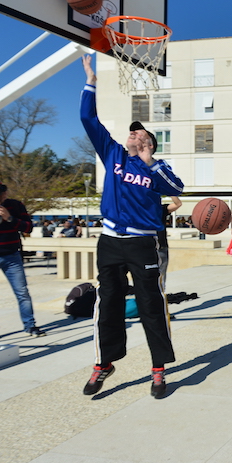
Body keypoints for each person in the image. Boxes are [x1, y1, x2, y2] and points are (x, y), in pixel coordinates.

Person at [78, 55, 184, 400]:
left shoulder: (158, 169)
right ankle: (104, 362)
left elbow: (178, 189)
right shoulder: (112, 153)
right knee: (106, 302)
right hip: (109, 239)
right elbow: (86, 118)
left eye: (137, 131)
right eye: (130, 130)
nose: (130, 132)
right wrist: (90, 80)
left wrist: (150, 160)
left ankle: (158, 368)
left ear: (148, 142)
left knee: (150, 304)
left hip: (142, 244)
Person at [0, 178, 43, 342]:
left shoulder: (15, 205)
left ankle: (30, 324)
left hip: (11, 255)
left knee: (22, 293)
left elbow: (28, 227)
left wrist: (9, 218)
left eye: (0, 193)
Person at [157, 196, 182, 291]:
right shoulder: (160, 209)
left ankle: (159, 296)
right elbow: (178, 204)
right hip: (153, 246)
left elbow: (178, 204)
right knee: (159, 276)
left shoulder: (161, 209)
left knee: (160, 276)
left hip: (160, 246)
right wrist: (171, 193)